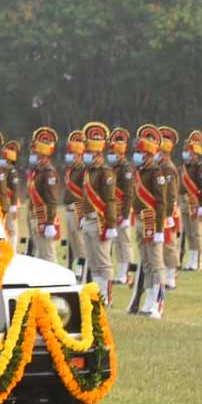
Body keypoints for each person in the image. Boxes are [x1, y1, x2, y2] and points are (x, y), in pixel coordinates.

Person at [130, 124, 168, 319]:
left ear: (148, 153)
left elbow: (161, 201)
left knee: (156, 263)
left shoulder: (156, 172)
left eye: (140, 152)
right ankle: (149, 299)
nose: (137, 155)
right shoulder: (140, 171)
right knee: (145, 263)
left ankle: (158, 303)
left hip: (152, 222)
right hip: (140, 220)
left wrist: (159, 228)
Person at [78, 122, 116, 302]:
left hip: (100, 221)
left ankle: (106, 297)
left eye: (88, 152)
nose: (85, 155)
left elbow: (109, 200)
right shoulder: (88, 171)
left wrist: (111, 224)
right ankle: (97, 294)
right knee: (93, 262)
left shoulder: (105, 172)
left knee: (103, 261)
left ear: (97, 153)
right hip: (87, 220)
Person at [26, 127, 61, 264]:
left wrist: (50, 223)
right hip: (36, 217)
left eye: (34, 152)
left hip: (44, 219)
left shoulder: (48, 172)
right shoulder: (37, 171)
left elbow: (52, 200)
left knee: (48, 256)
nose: (32, 154)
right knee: (40, 256)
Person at [60, 131, 89, 275]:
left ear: (79, 155)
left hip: (78, 209)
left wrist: (83, 213)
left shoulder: (83, 171)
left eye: (73, 154)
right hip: (68, 210)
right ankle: (76, 267)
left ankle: (82, 269)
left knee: (80, 243)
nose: (70, 156)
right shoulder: (70, 170)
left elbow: (85, 193)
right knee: (72, 241)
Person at [109, 127, 136, 284]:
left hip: (122, 210)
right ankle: (120, 273)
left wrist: (125, 215)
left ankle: (127, 274)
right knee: (118, 243)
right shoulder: (113, 168)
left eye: (114, 153)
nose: (111, 156)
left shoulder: (126, 168)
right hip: (114, 211)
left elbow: (128, 193)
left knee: (125, 243)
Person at [180, 131, 202, 272]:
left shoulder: (200, 167)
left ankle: (197, 261)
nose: (186, 154)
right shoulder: (185, 167)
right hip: (184, 202)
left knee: (196, 232)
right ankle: (191, 259)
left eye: (189, 152)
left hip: (195, 203)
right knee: (189, 232)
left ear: (195, 154)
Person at [158, 126, 181, 289]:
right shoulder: (160, 167)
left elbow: (171, 195)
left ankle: (171, 277)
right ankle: (165, 275)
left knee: (169, 245)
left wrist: (168, 215)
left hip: (168, 211)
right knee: (162, 246)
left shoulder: (169, 169)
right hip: (161, 211)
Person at [0, 140, 23, 252]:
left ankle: (12, 250)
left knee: (12, 229)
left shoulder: (12, 171)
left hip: (10, 203)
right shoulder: (3, 170)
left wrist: (14, 206)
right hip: (4, 203)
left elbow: (15, 189)